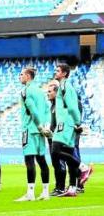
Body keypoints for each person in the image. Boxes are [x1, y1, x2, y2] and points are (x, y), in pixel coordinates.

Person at [52, 64, 92, 197]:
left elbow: (73, 107)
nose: (55, 72)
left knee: (56, 151)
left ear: (64, 73)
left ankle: (83, 167)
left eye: (58, 70)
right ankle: (73, 188)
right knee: (69, 155)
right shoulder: (64, 87)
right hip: (68, 123)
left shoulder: (64, 86)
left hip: (65, 123)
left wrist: (77, 123)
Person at [15, 68, 50, 202]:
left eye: (21, 74)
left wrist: (39, 125)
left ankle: (30, 193)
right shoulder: (40, 91)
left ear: (28, 76)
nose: (20, 76)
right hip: (40, 132)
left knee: (29, 160)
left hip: (30, 129)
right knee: (42, 160)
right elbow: (46, 109)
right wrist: (45, 125)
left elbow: (32, 109)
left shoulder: (26, 91)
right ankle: (45, 192)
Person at [46, 82, 67, 196]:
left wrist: (56, 134)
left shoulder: (59, 104)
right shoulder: (53, 105)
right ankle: (58, 187)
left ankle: (62, 188)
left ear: (56, 92)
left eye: (49, 92)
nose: (47, 94)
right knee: (55, 163)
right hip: (51, 138)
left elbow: (61, 122)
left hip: (58, 138)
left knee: (60, 162)